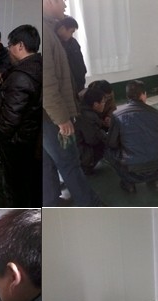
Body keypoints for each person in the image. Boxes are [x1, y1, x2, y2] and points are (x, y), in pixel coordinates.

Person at [42, 0, 102, 206]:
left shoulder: (48, 30)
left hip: (45, 114)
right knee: (69, 163)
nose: (65, 6)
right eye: (62, 1)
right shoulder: (44, 32)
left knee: (47, 162)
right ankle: (90, 205)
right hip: (51, 116)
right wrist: (62, 119)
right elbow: (47, 82)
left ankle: (51, 201)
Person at [0, 25, 42, 207]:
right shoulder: (38, 67)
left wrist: (0, 138)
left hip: (17, 144)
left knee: (15, 188)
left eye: (10, 45)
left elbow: (9, 121)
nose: (8, 49)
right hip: (30, 139)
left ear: (20, 46)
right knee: (29, 185)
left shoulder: (21, 78)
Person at [106, 80, 158, 193]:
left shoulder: (117, 114)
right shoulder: (156, 113)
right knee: (157, 146)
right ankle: (155, 180)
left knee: (108, 151)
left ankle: (128, 183)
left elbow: (112, 143)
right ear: (143, 94)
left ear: (127, 96)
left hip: (131, 168)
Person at [74, 88, 109, 175]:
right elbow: (93, 139)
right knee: (108, 142)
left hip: (76, 151)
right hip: (81, 154)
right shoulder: (89, 116)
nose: (104, 104)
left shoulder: (82, 110)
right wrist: (106, 135)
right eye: (103, 102)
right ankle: (87, 166)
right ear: (96, 104)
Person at [55, 16, 87, 94]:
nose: (71, 35)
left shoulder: (73, 42)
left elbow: (80, 61)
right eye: (71, 31)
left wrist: (83, 72)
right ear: (62, 29)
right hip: (66, 84)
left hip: (79, 81)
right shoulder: (56, 44)